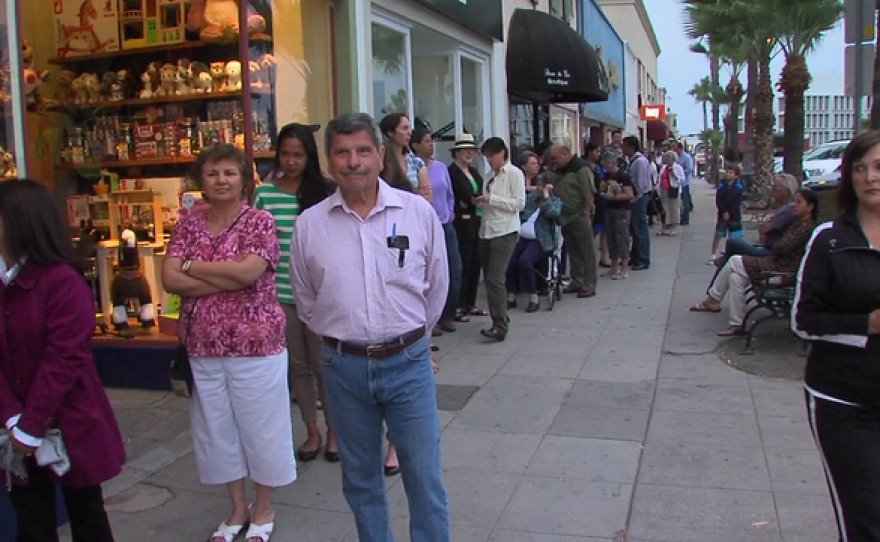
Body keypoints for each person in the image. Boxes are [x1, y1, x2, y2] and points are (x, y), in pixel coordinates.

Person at [289, 112, 450, 542]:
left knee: (423, 478)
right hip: (343, 370)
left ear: (380, 156)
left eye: (363, 150)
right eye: (342, 152)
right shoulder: (310, 226)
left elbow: (437, 287)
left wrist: (415, 338)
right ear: (329, 161)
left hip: (409, 364)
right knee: (360, 481)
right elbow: (306, 299)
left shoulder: (416, 213)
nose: (353, 161)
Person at [162, 144, 296, 542]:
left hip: (256, 345)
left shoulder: (260, 221)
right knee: (216, 430)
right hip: (202, 346)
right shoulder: (188, 223)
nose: (221, 180)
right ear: (200, 181)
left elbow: (250, 273)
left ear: (244, 179)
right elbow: (170, 279)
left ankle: (264, 507)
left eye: (229, 172)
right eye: (212, 173)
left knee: (262, 428)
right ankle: (237, 508)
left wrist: (192, 268)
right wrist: (228, 275)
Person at [0, 180, 125, 542]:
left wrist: (32, 424)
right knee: (32, 522)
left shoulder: (61, 282)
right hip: (16, 426)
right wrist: (12, 418)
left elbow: (64, 358)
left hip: (71, 422)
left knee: (87, 516)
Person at [791, 131, 880, 541]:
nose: (870, 177)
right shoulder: (829, 240)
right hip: (844, 401)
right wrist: (867, 325)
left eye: (878, 167)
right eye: (860, 168)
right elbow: (803, 320)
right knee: (866, 517)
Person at [252, 122, 338, 464]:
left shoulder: (326, 192)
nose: (291, 161)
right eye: (285, 154)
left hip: (319, 296)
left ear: (309, 156)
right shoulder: (264, 194)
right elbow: (258, 245)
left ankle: (334, 430)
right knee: (298, 367)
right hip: (279, 296)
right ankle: (311, 431)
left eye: (298, 154)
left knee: (323, 367)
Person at [690, 188, 818, 336]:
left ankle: (714, 298)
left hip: (783, 271)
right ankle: (737, 324)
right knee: (735, 278)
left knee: (734, 260)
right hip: (777, 264)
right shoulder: (799, 223)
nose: (794, 205)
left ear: (810, 207)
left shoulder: (805, 227)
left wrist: (773, 240)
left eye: (799, 202)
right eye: (794, 201)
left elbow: (781, 247)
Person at [411, 126, 461, 334]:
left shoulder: (441, 167)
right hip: (422, 227)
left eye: (432, 141)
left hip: (445, 224)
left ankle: (448, 313)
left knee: (453, 269)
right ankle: (431, 318)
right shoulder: (412, 169)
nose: (431, 144)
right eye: (426, 141)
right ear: (415, 145)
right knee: (427, 274)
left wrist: (450, 213)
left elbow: (449, 193)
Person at [477, 137, 526, 342]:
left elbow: (518, 203)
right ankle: (498, 317)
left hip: (504, 230)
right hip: (487, 228)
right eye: (487, 156)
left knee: (496, 278)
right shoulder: (489, 175)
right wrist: (481, 201)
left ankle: (500, 324)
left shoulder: (514, 174)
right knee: (490, 278)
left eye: (492, 156)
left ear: (502, 153)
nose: (489, 160)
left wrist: (492, 199)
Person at [506, 172, 562, 312]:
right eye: (538, 184)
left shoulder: (555, 201)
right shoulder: (530, 199)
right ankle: (511, 295)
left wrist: (547, 196)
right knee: (511, 260)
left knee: (525, 260)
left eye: (542, 185)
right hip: (523, 237)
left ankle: (533, 297)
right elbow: (520, 211)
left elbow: (554, 213)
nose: (539, 187)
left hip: (541, 240)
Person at [549, 143, 598, 297]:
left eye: (555, 158)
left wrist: (585, 212)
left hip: (579, 215)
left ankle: (589, 284)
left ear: (565, 154)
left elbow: (588, 193)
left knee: (586, 251)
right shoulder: (560, 169)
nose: (554, 161)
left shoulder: (581, 168)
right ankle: (577, 280)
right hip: (565, 216)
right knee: (573, 250)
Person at [448, 134, 488, 320]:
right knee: (462, 264)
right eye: (465, 150)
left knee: (475, 263)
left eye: (472, 150)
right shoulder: (452, 172)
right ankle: (458, 305)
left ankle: (470, 303)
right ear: (456, 152)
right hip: (461, 223)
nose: (469, 153)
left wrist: (475, 199)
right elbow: (464, 196)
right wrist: (473, 200)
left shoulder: (473, 172)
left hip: (476, 220)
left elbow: (480, 192)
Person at [379, 113, 432, 200]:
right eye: (405, 128)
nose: (410, 132)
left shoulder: (415, 162)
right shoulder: (380, 161)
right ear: (390, 132)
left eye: (409, 128)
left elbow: (427, 196)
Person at [599, 153, 635, 279]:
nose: (606, 169)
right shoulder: (607, 176)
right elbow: (601, 190)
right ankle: (613, 267)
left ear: (614, 164)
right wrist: (604, 186)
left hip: (622, 209)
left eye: (607, 166)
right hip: (610, 209)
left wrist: (614, 196)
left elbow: (629, 194)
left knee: (622, 237)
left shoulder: (624, 176)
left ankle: (624, 268)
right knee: (611, 237)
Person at [622, 136, 652, 270]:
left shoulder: (639, 162)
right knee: (634, 229)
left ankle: (643, 259)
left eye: (625, 146)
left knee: (640, 229)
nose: (623, 149)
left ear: (631, 147)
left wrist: (635, 198)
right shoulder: (633, 161)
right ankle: (635, 257)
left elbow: (640, 183)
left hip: (639, 198)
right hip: (636, 198)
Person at [709, 165, 746, 265]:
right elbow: (718, 200)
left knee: (735, 237)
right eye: (727, 172)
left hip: (734, 216)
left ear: (736, 175)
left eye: (731, 173)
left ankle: (734, 256)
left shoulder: (739, 187)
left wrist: (730, 212)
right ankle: (713, 255)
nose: (728, 174)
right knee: (718, 234)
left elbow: (737, 202)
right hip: (722, 215)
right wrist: (724, 211)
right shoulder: (722, 185)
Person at [585, 142, 610, 267]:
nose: (598, 154)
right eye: (596, 152)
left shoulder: (600, 167)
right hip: (592, 200)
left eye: (600, 152)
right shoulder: (585, 167)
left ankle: (604, 257)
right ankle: (587, 257)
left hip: (603, 200)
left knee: (605, 231)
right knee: (592, 232)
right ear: (589, 152)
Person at [658, 150, 684, 237]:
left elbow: (682, 180)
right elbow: (660, 178)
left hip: (673, 189)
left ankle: (673, 227)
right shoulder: (663, 167)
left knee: (674, 208)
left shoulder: (678, 167)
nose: (667, 159)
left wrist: (674, 175)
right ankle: (664, 226)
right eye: (666, 157)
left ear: (673, 158)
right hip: (664, 189)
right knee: (664, 208)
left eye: (668, 157)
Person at [675, 142, 695, 224]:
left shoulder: (686, 157)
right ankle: (680, 217)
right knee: (679, 202)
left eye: (676, 148)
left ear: (680, 148)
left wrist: (680, 172)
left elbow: (690, 169)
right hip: (677, 183)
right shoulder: (676, 157)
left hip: (684, 183)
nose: (675, 149)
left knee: (685, 201)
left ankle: (685, 219)